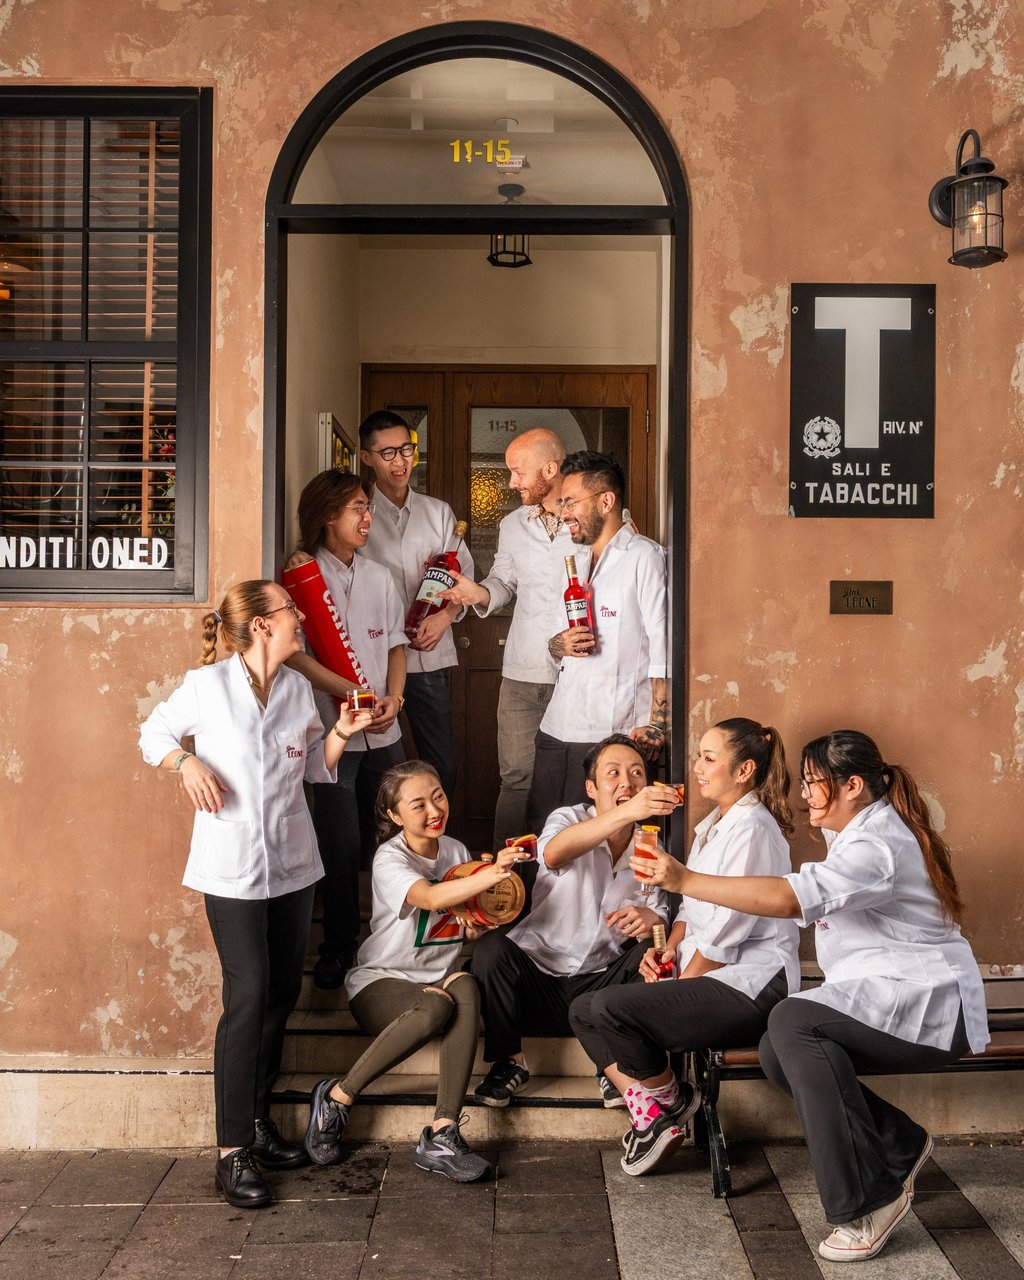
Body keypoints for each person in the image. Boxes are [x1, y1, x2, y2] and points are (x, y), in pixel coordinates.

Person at [632, 729, 989, 1262]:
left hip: (932, 1005)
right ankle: (898, 1142)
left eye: (814, 784)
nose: (803, 796)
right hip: (892, 994)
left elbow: (786, 896)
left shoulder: (876, 845)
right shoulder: (857, 834)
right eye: (802, 783)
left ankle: (868, 1201)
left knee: (794, 1024)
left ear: (851, 785)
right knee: (780, 1049)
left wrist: (685, 880)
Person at [138, 580, 374, 1209]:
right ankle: (231, 1150)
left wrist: (343, 731)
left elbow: (316, 769)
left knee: (281, 994)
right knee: (247, 997)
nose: (299, 616)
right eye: (290, 610)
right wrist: (186, 763)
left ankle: (261, 1124)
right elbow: (150, 736)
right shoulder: (206, 687)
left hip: (294, 865)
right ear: (263, 626)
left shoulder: (297, 688)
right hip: (232, 868)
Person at [569, 718, 800, 1176]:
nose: (697, 766)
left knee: (614, 1007)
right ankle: (664, 1104)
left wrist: (676, 987)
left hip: (751, 985)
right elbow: (692, 913)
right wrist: (668, 950)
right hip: (708, 970)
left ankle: (663, 1105)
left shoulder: (753, 828)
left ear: (744, 771)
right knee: (582, 1008)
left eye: (709, 758)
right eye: (699, 756)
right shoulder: (711, 826)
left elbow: (727, 931)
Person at [303, 762, 519, 1182]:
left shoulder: (455, 851)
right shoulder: (389, 857)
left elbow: (450, 925)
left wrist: (473, 929)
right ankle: (337, 1096)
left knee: (467, 985)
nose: (434, 809)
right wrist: (492, 871)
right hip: (381, 983)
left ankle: (443, 1132)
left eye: (438, 796)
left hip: (436, 980)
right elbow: (430, 897)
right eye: (417, 804)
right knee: (438, 1006)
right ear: (394, 815)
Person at [471, 734, 678, 1107]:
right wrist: (628, 812)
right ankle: (508, 1062)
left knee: (652, 952)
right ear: (591, 789)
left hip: (599, 987)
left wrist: (652, 918)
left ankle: (616, 1065)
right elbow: (552, 853)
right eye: (613, 773)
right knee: (491, 951)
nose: (627, 782)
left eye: (636, 773)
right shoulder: (568, 819)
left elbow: (661, 913)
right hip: (538, 981)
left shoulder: (652, 846)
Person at [285, 469, 408, 989]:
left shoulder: (379, 575)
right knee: (337, 841)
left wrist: (394, 699)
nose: (367, 517)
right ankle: (338, 944)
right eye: (358, 507)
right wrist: (353, 697)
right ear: (327, 515)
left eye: (368, 506)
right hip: (331, 729)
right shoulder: (301, 575)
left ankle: (398, 940)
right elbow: (295, 655)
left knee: (395, 832)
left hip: (383, 726)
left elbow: (397, 644)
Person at [441, 427, 573, 847]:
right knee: (516, 779)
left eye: (518, 472)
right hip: (523, 671)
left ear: (550, 469)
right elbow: (503, 581)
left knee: (578, 780)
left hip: (582, 671)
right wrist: (479, 593)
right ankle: (505, 889)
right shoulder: (513, 524)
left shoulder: (595, 517)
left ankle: (566, 887)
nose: (512, 482)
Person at [524, 450, 668, 834]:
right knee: (545, 839)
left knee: (608, 842)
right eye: (561, 503)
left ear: (606, 501)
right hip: (558, 727)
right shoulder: (574, 559)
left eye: (570, 502)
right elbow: (553, 644)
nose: (562, 511)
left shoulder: (645, 558)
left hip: (613, 733)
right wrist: (561, 643)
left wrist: (658, 725)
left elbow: (662, 646)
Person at [357, 410, 475, 801]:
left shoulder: (438, 512)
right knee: (380, 765)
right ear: (366, 457)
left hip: (429, 657)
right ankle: (386, 855)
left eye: (406, 449)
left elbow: (463, 583)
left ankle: (438, 850)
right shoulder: (358, 513)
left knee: (442, 763)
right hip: (377, 659)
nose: (400, 461)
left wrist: (445, 617)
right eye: (388, 452)